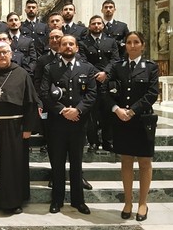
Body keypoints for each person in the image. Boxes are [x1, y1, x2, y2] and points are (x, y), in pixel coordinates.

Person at [0, 41, 40, 214]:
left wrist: (28, 128)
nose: (2, 55)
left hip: (14, 127)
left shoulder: (22, 74)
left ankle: (13, 201)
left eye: (5, 52)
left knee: (13, 164)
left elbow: (30, 102)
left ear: (11, 54)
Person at [102, 31, 159, 222]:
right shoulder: (118, 67)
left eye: (136, 42)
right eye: (129, 42)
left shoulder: (150, 67)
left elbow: (152, 94)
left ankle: (143, 203)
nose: (132, 45)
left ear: (143, 45)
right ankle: (128, 201)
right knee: (126, 161)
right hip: (122, 119)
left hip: (142, 120)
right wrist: (116, 109)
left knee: (144, 162)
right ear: (125, 45)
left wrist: (132, 110)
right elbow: (106, 91)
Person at [40, 34, 96, 215]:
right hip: (57, 124)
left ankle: (78, 201)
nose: (68, 47)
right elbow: (45, 93)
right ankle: (57, 200)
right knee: (57, 164)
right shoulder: (51, 68)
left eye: (71, 44)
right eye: (64, 44)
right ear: (59, 47)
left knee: (76, 163)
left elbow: (92, 94)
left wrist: (77, 110)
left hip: (79, 123)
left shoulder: (87, 68)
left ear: (77, 48)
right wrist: (63, 111)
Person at [78, 15, 120, 153]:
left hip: (108, 83)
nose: (96, 26)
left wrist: (105, 73)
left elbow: (115, 59)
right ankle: (93, 143)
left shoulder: (111, 41)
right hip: (91, 82)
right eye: (93, 24)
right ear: (89, 26)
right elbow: (83, 61)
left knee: (108, 113)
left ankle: (108, 142)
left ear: (103, 25)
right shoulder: (83, 43)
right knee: (91, 115)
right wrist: (97, 74)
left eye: (99, 23)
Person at [6, 12, 37, 76]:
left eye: (16, 20)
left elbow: (33, 59)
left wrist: (28, 72)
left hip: (25, 74)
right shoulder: (4, 40)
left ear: (20, 23)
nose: (14, 22)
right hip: (7, 75)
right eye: (11, 20)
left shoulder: (28, 40)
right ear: (7, 24)